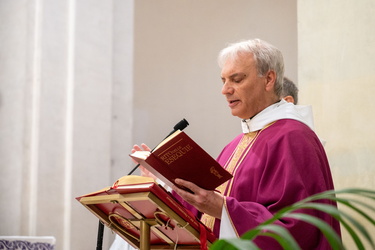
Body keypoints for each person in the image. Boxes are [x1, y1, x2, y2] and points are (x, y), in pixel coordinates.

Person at [169, 39, 340, 249]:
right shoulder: (234, 145)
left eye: (236, 79)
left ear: (268, 79)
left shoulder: (293, 137)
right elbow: (204, 213)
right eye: (223, 80)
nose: (225, 90)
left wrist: (224, 209)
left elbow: (298, 229)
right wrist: (161, 187)